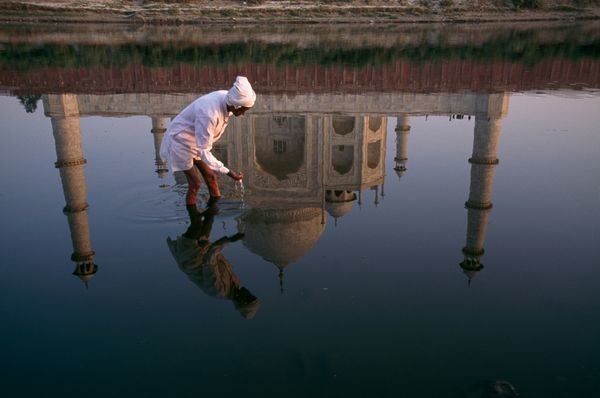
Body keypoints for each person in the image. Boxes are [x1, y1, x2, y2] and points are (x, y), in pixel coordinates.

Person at [160, 76, 256, 206]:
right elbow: (204, 151)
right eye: (243, 110)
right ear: (235, 105)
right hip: (181, 140)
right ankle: (193, 216)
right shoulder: (209, 114)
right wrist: (228, 172)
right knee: (195, 184)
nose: (243, 114)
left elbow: (203, 146)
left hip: (195, 140)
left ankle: (214, 209)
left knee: (211, 177)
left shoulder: (228, 98)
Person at [166, 203, 260, 320]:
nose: (248, 292)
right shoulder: (236, 283)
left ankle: (191, 198)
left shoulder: (218, 290)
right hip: (204, 250)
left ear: (241, 301)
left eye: (248, 297)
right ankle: (209, 195)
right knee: (210, 216)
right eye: (251, 295)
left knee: (197, 223)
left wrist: (230, 240)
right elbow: (218, 258)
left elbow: (210, 261)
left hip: (190, 258)